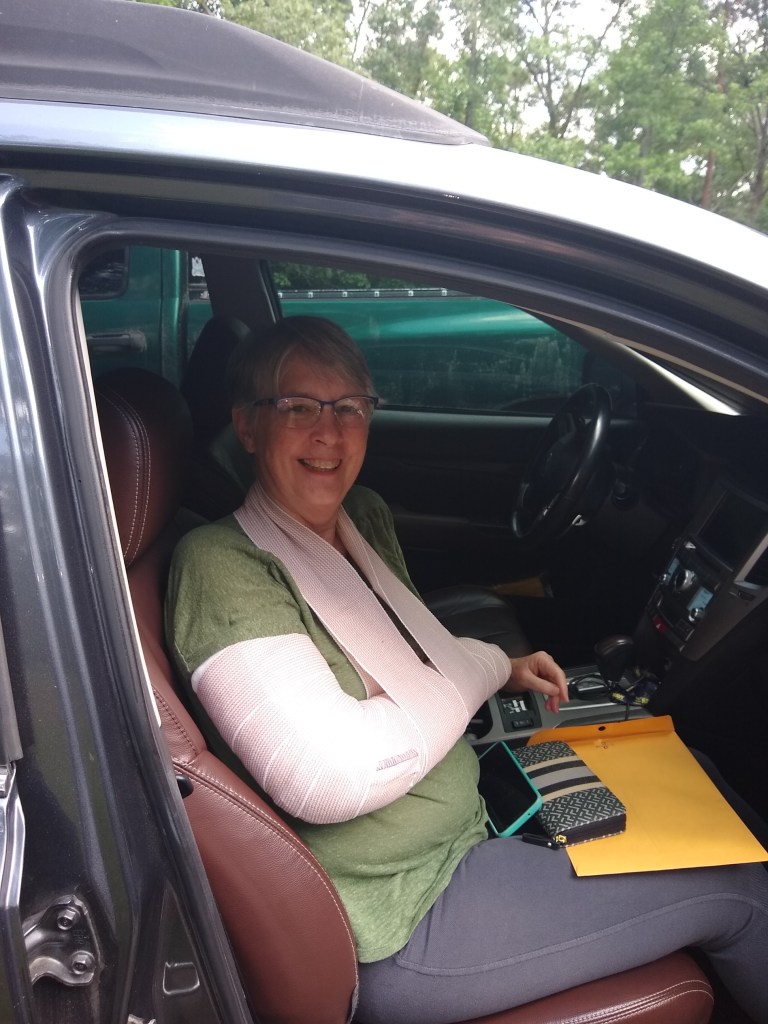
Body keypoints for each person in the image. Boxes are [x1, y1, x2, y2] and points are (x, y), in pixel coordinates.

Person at [165, 316, 768, 1024]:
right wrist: (480, 669)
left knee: (691, 776)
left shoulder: (361, 516)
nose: (329, 433)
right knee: (740, 886)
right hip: (406, 908)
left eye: (350, 407)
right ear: (247, 425)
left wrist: (500, 667)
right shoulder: (220, 564)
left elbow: (418, 660)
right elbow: (330, 775)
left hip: (475, 814)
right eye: (298, 407)